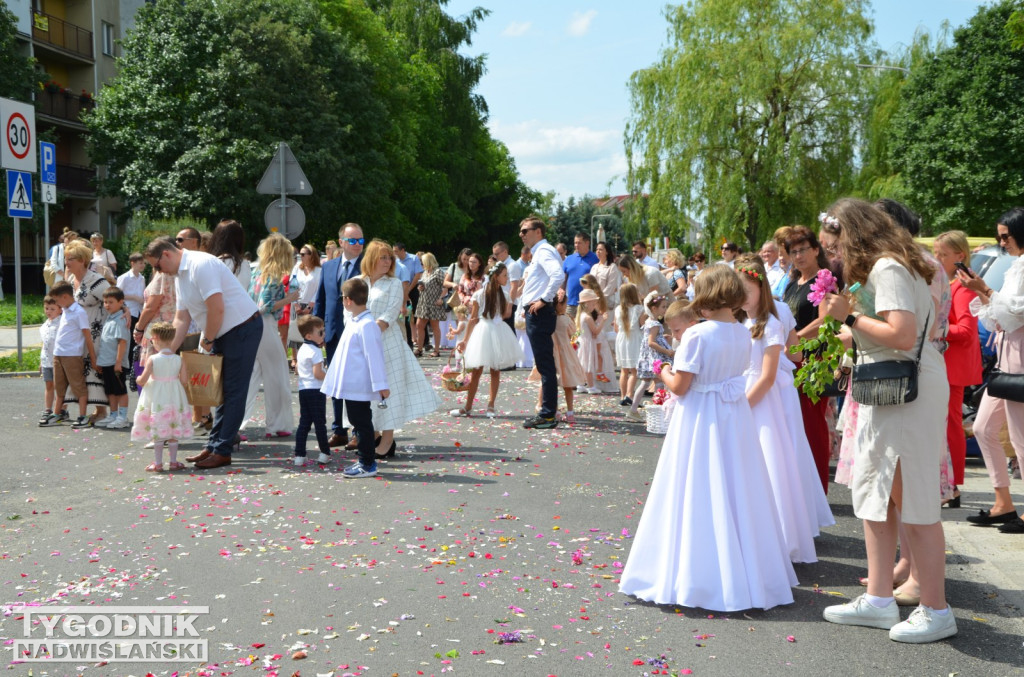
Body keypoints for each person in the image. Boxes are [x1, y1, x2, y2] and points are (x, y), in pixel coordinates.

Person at [619, 265, 798, 611]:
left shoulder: (698, 336)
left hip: (700, 417)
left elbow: (682, 387)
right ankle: (739, 571)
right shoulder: (742, 332)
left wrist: (663, 370)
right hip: (733, 416)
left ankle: (696, 573)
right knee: (735, 488)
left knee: (696, 488)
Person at [820, 197, 956, 643]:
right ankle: (879, 599)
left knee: (912, 498)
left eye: (835, 246)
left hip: (907, 391)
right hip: (894, 387)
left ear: (855, 234)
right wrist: (855, 327)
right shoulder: (896, 266)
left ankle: (936, 608)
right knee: (880, 493)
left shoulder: (888, 269)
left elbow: (901, 334)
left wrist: (852, 316)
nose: (833, 256)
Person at [738, 259, 833, 563]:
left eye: (745, 290)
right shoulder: (744, 321)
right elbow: (793, 351)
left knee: (777, 455)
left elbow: (792, 353)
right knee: (771, 455)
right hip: (760, 385)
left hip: (771, 392)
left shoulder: (774, 318)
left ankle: (784, 528)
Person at [144, 237, 262, 470]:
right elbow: (181, 318)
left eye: (157, 266)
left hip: (241, 328)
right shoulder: (180, 274)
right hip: (222, 331)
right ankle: (214, 445)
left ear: (166, 255)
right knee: (219, 391)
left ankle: (223, 450)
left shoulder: (200, 264)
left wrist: (207, 340)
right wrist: (167, 352)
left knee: (233, 391)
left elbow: (217, 308)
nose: (158, 271)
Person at [958, 207, 1024, 533]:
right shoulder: (1015, 267)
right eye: (1000, 237)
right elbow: (998, 317)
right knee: (983, 428)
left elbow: (1014, 313)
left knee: (1020, 436)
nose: (1001, 242)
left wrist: (983, 291)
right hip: (1007, 354)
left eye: (1005, 236)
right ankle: (1004, 502)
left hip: (1019, 355)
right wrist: (983, 293)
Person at [359, 239, 441, 457]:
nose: (387, 261)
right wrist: (357, 333)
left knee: (388, 392)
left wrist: (371, 330)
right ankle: (373, 435)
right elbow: (349, 310)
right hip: (361, 344)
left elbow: (392, 311)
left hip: (387, 343)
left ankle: (387, 440)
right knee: (366, 392)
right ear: (371, 259)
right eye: (382, 257)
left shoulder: (394, 283)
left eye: (389, 258)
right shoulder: (359, 282)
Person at [321, 278, 390, 478]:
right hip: (352, 383)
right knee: (356, 421)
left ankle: (367, 463)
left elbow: (374, 357)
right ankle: (364, 461)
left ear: (348, 300)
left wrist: (381, 385)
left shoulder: (367, 324)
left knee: (362, 423)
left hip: (360, 384)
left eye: (343, 298)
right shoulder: (355, 321)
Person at [782, 226, 834, 493]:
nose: (798, 255)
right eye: (793, 251)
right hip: (792, 359)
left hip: (814, 360)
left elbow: (826, 319)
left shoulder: (824, 279)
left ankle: (816, 492)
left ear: (816, 250)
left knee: (812, 427)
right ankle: (799, 492)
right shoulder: (793, 284)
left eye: (803, 249)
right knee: (795, 427)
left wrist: (795, 336)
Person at [933, 230, 983, 505]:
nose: (936, 258)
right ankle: (949, 486)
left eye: (942, 254)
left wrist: (934, 328)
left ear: (959, 256)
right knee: (946, 423)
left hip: (953, 366)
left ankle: (953, 488)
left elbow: (965, 330)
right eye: (936, 253)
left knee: (951, 424)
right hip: (947, 363)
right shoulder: (952, 282)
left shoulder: (963, 286)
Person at [315, 223, 365, 448]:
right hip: (333, 332)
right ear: (342, 242)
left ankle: (358, 430)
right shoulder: (329, 266)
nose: (357, 245)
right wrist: (317, 330)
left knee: (356, 382)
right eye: (352, 240)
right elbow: (322, 299)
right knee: (335, 381)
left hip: (356, 333)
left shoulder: (366, 267)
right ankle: (339, 430)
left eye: (360, 240)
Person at [450, 262, 523, 417]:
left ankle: (490, 405)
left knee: (494, 369)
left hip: (496, 329)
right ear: (496, 277)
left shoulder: (504, 295)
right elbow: (474, 318)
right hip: (485, 330)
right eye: (504, 275)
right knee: (477, 370)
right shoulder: (480, 294)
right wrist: (465, 340)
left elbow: (506, 314)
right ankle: (468, 406)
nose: (507, 278)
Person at [244, 233, 298, 437]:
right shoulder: (274, 276)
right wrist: (289, 299)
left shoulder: (257, 272)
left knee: (253, 376)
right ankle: (277, 425)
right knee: (278, 378)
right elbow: (264, 307)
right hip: (266, 326)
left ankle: (237, 423)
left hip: (253, 327)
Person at [519, 216, 566, 429]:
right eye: (520, 231)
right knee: (544, 364)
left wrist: (544, 300)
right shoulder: (539, 251)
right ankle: (547, 412)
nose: (521, 234)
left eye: (525, 230)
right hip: (536, 311)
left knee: (545, 365)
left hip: (540, 312)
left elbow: (557, 275)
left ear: (538, 231)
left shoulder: (544, 250)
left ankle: (547, 414)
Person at [63, 238, 112, 424]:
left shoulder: (96, 280)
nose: (67, 262)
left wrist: (123, 313)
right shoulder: (70, 279)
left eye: (71, 259)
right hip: (78, 331)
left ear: (82, 260)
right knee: (81, 368)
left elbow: (113, 299)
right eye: (66, 258)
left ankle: (101, 410)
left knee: (94, 368)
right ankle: (84, 408)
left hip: (96, 330)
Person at [131, 321, 192, 472]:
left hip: (157, 395)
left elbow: (143, 380)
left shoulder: (153, 359)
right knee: (172, 429)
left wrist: (138, 379)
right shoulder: (179, 359)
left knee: (158, 429)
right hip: (174, 395)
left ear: (156, 339)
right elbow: (184, 381)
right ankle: (173, 461)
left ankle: (158, 463)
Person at [41, 282, 97, 429]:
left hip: (72, 355)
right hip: (58, 353)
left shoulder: (79, 312)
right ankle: (57, 413)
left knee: (78, 386)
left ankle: (82, 416)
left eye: (57, 301)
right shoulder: (65, 310)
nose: (57, 304)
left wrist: (93, 357)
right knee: (59, 387)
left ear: (65, 297)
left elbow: (87, 336)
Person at [528, 292, 586, 423]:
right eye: (565, 304)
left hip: (551, 351)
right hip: (565, 354)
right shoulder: (565, 319)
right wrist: (580, 330)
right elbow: (574, 335)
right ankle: (570, 413)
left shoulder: (548, 318)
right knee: (568, 384)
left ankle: (548, 407)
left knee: (547, 380)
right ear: (560, 305)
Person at [293, 315, 331, 467]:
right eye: (320, 332)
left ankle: (299, 455)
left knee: (304, 423)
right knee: (320, 423)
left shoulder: (302, 349)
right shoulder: (315, 351)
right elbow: (318, 374)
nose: (323, 334)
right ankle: (324, 452)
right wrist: (329, 376)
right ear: (309, 336)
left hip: (304, 390)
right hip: (316, 390)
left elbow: (297, 369)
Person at [629, 292, 674, 420]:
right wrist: (667, 352)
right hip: (654, 358)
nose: (665, 309)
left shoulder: (649, 321)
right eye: (663, 307)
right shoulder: (655, 324)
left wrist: (662, 338)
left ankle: (634, 409)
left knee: (645, 383)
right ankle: (657, 409)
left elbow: (651, 339)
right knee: (658, 382)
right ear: (654, 308)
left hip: (647, 357)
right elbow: (651, 342)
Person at [95, 287, 131, 429]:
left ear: (121, 302)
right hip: (106, 362)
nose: (107, 305)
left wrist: (118, 362)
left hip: (116, 363)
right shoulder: (110, 318)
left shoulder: (120, 320)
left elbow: (122, 342)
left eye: (111, 302)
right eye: (105, 302)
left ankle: (123, 417)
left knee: (120, 390)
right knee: (110, 390)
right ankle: (113, 414)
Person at [289, 243, 323, 365]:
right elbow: (292, 285)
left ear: (311, 255)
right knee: (296, 333)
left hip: (311, 306)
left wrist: (310, 306)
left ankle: (313, 361)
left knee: (311, 333)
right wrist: (295, 304)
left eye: (303, 254)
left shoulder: (318, 270)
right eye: (300, 254)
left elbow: (319, 289)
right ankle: (298, 361)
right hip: (297, 304)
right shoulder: (297, 268)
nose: (300, 257)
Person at [576, 288, 614, 394]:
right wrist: (602, 321)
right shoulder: (587, 317)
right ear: (587, 303)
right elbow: (596, 331)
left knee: (583, 363)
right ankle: (591, 386)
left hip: (584, 341)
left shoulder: (582, 315)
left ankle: (581, 384)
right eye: (593, 303)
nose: (595, 305)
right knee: (588, 364)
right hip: (587, 342)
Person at [615, 283, 643, 407]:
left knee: (624, 370)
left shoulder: (617, 309)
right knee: (634, 370)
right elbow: (642, 325)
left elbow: (616, 328)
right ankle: (629, 395)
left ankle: (622, 396)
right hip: (634, 338)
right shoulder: (639, 309)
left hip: (622, 338)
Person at [415, 252, 446, 357]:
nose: (421, 263)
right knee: (419, 325)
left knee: (435, 326)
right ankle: (419, 349)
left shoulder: (438, 272)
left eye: (422, 262)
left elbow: (445, 286)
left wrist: (441, 298)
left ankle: (436, 350)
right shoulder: (424, 272)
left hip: (434, 302)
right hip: (423, 302)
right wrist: (421, 288)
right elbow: (424, 285)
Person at [38, 296, 63, 424]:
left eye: (52, 309)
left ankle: (61, 409)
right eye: (47, 308)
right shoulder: (44, 325)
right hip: (46, 360)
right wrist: (40, 361)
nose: (49, 311)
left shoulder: (62, 323)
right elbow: (44, 344)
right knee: (48, 385)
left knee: (60, 386)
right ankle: (48, 409)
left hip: (58, 360)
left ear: (60, 309)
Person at [562, 233, 599, 319]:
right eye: (575, 243)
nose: (576, 245)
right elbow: (564, 279)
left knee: (584, 329)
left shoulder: (595, 259)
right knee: (570, 330)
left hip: (587, 302)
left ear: (587, 243)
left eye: (579, 243)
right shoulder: (569, 259)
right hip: (570, 303)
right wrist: (561, 290)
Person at [394, 242, 422, 349]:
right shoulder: (395, 261)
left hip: (413, 288)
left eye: (396, 251)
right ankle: (409, 342)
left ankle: (422, 341)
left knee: (416, 314)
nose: (394, 253)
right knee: (404, 318)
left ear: (402, 250)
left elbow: (417, 274)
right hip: (401, 289)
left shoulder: (413, 258)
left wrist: (409, 289)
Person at [492, 241, 523, 331]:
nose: (495, 257)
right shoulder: (498, 264)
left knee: (508, 332)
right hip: (499, 302)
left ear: (505, 252)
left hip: (508, 303)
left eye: (497, 254)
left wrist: (509, 307)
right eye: (494, 254)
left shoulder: (512, 265)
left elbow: (514, 286)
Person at [591, 241, 622, 309]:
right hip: (593, 303)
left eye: (601, 249)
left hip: (606, 303)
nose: (598, 251)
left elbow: (610, 287)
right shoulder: (594, 267)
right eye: (597, 249)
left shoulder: (612, 267)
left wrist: (600, 298)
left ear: (607, 252)